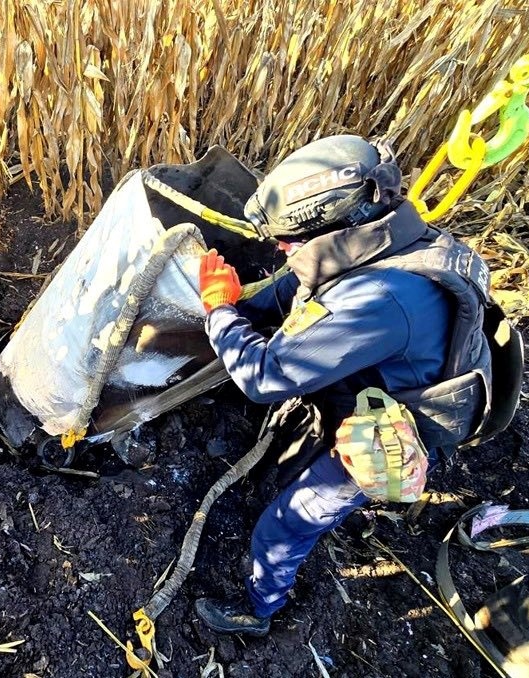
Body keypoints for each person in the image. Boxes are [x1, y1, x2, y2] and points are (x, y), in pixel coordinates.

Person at [193, 134, 507, 637]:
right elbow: (295, 288)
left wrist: (219, 312)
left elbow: (262, 377)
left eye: (289, 242)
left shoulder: (379, 297)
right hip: (401, 371)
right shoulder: (390, 233)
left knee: (286, 522)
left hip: (398, 428)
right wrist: (240, 309)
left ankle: (259, 608)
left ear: (337, 225)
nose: (279, 249)